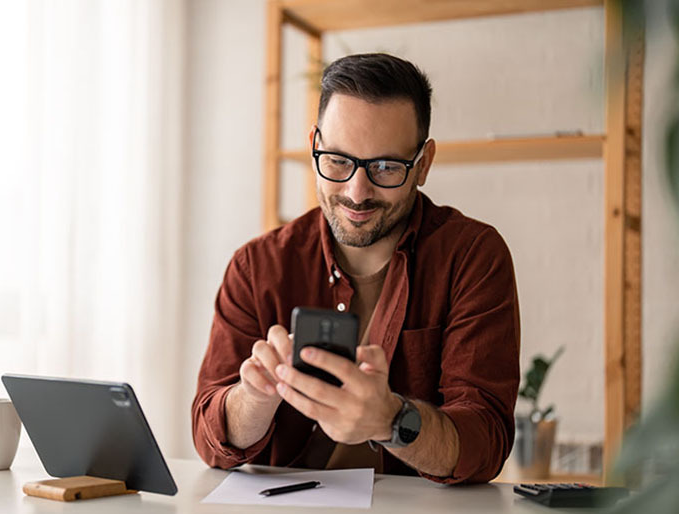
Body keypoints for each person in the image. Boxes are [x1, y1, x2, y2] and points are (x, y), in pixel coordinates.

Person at [191, 53, 520, 484]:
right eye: (338, 160)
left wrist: (392, 420)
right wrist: (253, 398)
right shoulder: (257, 267)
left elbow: (486, 440)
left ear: (423, 164)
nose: (356, 192)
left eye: (385, 167)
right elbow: (208, 436)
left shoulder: (473, 258)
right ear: (314, 145)